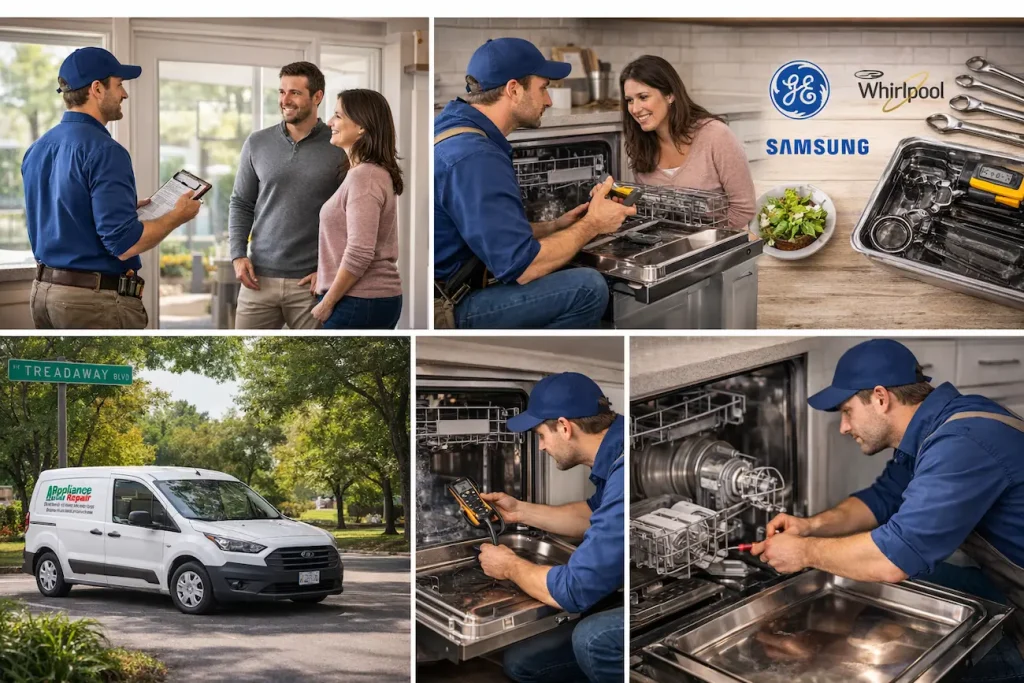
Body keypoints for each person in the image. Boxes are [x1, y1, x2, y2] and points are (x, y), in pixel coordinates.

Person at [751, 338, 1024, 681]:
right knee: (889, 598)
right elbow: (882, 498)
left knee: (925, 668)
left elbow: (893, 559)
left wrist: (804, 553)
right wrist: (810, 527)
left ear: (881, 398)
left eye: (847, 411)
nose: (844, 427)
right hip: (1004, 582)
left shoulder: (961, 444)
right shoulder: (937, 425)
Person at [434, 38, 636, 329]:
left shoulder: (456, 128)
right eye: (543, 88)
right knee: (587, 288)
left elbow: (489, 231)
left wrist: (556, 227)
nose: (549, 101)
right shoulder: (476, 157)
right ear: (513, 89)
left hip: (452, 285)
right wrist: (592, 224)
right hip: (448, 307)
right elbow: (524, 268)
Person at [21, 47, 201, 329]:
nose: (124, 94)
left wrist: (125, 209)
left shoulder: (38, 148)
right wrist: (178, 215)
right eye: (118, 85)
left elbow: (66, 213)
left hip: (44, 296)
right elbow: (125, 244)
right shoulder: (106, 150)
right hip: (91, 304)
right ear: (96, 88)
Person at [477, 372, 624, 683]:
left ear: (564, 426)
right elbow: (591, 514)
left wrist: (509, 566)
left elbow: (573, 590)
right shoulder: (617, 447)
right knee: (521, 663)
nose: (541, 447)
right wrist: (519, 512)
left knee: (591, 638)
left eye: (541, 435)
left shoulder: (622, 470)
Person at [228, 61, 345, 330]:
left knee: (316, 363)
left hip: (311, 284)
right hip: (258, 280)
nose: (285, 100)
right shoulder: (257, 143)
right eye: (282, 92)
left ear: (317, 96)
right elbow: (241, 203)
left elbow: (349, 215)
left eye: (295, 93)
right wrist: (237, 254)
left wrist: (330, 269)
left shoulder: (338, 145)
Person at [620, 55, 755, 230]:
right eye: (630, 100)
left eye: (643, 97)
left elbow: (744, 208)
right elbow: (651, 212)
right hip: (670, 249)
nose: (635, 109)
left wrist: (700, 243)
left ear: (670, 95)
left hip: (719, 247)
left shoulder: (715, 135)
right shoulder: (641, 147)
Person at [308, 89, 403, 329]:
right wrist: (324, 273)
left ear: (361, 126)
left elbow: (360, 251)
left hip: (359, 300)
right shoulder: (367, 173)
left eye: (338, 116)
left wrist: (327, 302)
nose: (330, 122)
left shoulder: (365, 176)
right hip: (365, 299)